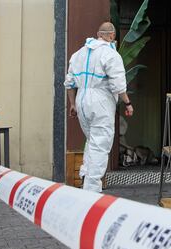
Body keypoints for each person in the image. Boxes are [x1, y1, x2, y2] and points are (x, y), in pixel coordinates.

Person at [64, 22, 134, 193]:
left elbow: (69, 83)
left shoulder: (78, 54)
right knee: (100, 144)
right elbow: (118, 85)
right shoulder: (110, 54)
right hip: (100, 100)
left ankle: (85, 177)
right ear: (111, 36)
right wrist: (127, 103)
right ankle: (92, 189)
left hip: (81, 100)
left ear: (98, 34)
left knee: (92, 142)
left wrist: (73, 104)